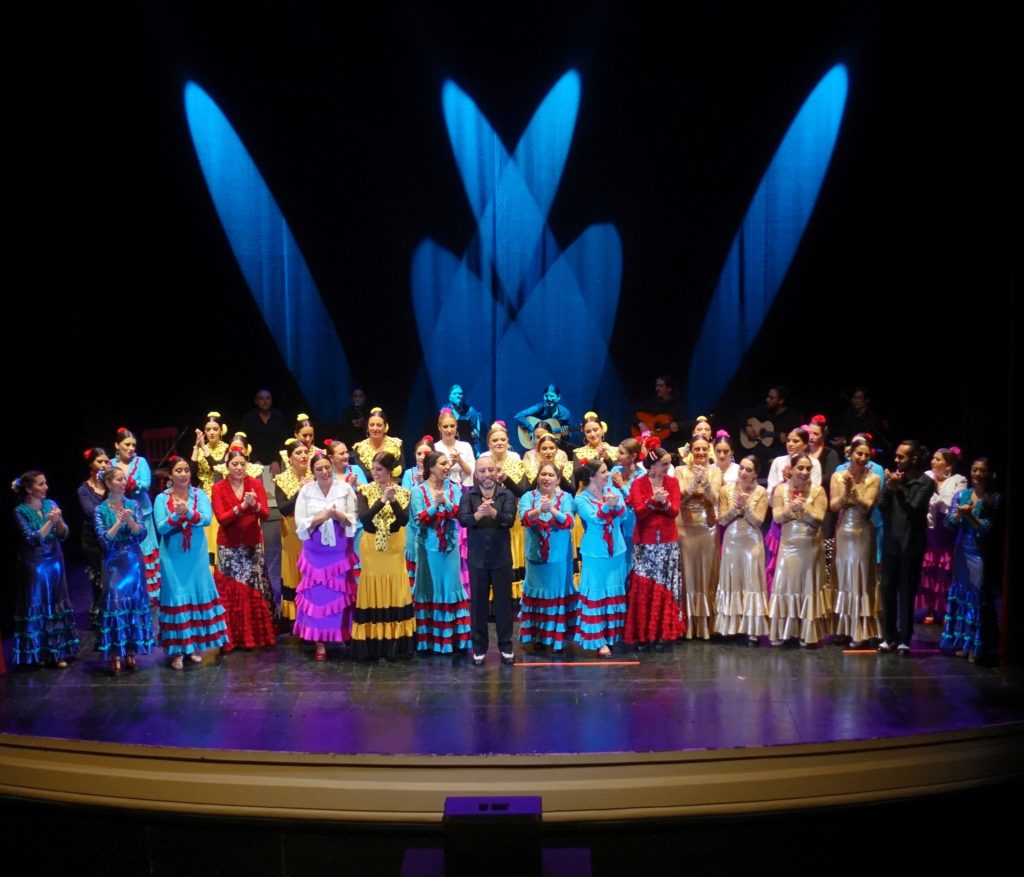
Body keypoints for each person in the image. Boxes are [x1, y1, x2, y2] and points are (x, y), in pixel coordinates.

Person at [154, 456, 230, 669]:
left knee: (195, 596)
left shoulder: (199, 494)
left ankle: (192, 647)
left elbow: (206, 519)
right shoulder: (161, 499)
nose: (184, 474)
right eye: (178, 470)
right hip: (173, 556)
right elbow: (161, 527)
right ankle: (178, 651)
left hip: (196, 555)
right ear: (170, 475)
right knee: (177, 597)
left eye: (186, 470)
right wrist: (176, 516)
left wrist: (188, 512)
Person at [10, 471, 79, 668]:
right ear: (29, 489)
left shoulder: (51, 504)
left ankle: (58, 652)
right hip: (35, 562)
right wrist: (49, 521)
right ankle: (38, 652)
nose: (46, 487)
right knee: (38, 602)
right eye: (40, 484)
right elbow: (32, 538)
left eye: (45, 483)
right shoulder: (20, 511)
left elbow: (63, 534)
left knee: (56, 602)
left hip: (55, 559)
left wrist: (59, 521)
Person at [294, 453, 358, 660]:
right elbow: (300, 522)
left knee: (341, 593)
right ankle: (319, 642)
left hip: (339, 551)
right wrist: (321, 517)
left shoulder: (345, 489)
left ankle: (344, 634)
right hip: (315, 552)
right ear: (313, 472)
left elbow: (353, 519)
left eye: (327, 467)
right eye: (319, 469)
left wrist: (340, 516)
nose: (324, 472)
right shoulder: (306, 491)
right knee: (317, 596)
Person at [211, 449, 276, 651]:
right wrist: (242, 506)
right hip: (228, 546)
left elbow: (265, 514)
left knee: (252, 590)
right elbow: (222, 518)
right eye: (234, 464)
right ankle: (230, 638)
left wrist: (254, 504)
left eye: (242, 464)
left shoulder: (255, 484)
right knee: (230, 591)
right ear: (227, 467)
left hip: (251, 544)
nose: (239, 468)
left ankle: (254, 637)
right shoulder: (218, 488)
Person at [353, 452, 415, 660]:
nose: (375, 473)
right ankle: (373, 642)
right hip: (372, 548)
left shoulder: (404, 493)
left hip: (393, 547)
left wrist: (393, 500)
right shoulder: (364, 490)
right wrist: (381, 501)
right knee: (373, 586)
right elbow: (365, 518)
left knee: (395, 588)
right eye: (373, 469)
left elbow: (403, 520)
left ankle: (395, 644)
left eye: (379, 469)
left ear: (389, 471)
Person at [940, 458, 1002, 663]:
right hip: (961, 550)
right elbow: (949, 524)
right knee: (962, 593)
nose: (977, 474)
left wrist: (969, 516)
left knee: (977, 596)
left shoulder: (994, 498)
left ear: (990, 474)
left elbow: (986, 529)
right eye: (974, 470)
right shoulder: (962, 495)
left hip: (980, 552)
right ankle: (963, 642)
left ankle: (976, 646)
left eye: (982, 470)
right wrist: (959, 515)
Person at [93, 466, 155, 673]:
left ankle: (130, 651)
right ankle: (115, 653)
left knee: (133, 603)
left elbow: (142, 534)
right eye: (119, 479)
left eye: (124, 478)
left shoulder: (133, 504)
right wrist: (119, 522)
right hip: (114, 562)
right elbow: (105, 540)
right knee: (115, 603)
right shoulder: (100, 510)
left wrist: (130, 521)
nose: (123, 482)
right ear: (109, 483)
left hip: (133, 560)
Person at [624, 441, 685, 648]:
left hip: (668, 544)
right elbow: (640, 513)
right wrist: (653, 501)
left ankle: (662, 633)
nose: (668, 467)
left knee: (665, 587)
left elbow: (674, 511)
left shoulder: (672, 483)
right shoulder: (638, 484)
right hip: (645, 544)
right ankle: (643, 634)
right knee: (644, 587)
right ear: (652, 465)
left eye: (669, 463)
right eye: (664, 464)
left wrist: (663, 502)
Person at [877, 440, 934, 655]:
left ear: (914, 459)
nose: (897, 460)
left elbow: (914, 508)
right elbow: (882, 506)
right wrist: (889, 488)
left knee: (907, 591)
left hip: (911, 544)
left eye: (901, 456)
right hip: (891, 541)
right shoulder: (894, 479)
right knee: (888, 589)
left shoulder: (925, 482)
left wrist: (898, 488)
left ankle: (905, 638)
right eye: (896, 456)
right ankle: (888, 636)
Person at [459, 455, 517, 665]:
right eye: (482, 471)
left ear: (496, 471)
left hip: (501, 558)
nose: (487, 474)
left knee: (503, 605)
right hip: (477, 560)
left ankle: (506, 647)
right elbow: (463, 519)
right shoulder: (469, 496)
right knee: (478, 607)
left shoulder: (506, 494)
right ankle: (479, 648)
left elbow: (510, 520)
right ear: (476, 474)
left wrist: (493, 513)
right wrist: (478, 515)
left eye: (490, 470)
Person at [411, 451, 471, 655]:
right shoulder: (418, 491)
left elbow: (461, 514)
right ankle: (431, 639)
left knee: (451, 586)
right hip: (428, 548)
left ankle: (454, 638)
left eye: (447, 463)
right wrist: (434, 506)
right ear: (431, 467)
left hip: (450, 547)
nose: (447, 467)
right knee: (431, 587)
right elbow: (418, 520)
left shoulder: (453, 488)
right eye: (443, 463)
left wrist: (446, 502)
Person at [767, 453, 828, 646]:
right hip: (789, 546)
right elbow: (777, 517)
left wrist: (804, 509)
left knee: (808, 586)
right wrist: (789, 510)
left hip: (810, 546)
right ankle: (783, 631)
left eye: (808, 468)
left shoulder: (818, 491)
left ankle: (806, 633)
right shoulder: (780, 490)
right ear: (791, 469)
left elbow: (819, 519)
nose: (804, 472)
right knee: (786, 585)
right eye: (800, 468)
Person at [518, 461, 577, 652]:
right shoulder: (528, 497)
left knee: (556, 595)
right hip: (535, 557)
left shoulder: (566, 497)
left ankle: (556, 638)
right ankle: (537, 636)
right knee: (537, 594)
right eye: (543, 474)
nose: (546, 478)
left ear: (558, 480)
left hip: (558, 557)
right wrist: (539, 510)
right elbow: (524, 518)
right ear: (537, 478)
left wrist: (551, 509)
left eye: (551, 475)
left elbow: (568, 521)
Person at [573, 459, 628, 657]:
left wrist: (615, 504)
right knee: (596, 593)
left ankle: (612, 635)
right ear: (592, 476)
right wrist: (607, 506)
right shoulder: (581, 499)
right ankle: (598, 639)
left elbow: (623, 514)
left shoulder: (611, 490)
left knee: (613, 591)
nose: (608, 475)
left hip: (616, 551)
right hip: (595, 552)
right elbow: (594, 518)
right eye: (603, 472)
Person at [830, 437, 882, 646]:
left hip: (863, 532)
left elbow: (867, 505)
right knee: (843, 576)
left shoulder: (874, 478)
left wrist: (854, 492)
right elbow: (834, 506)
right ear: (850, 454)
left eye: (866, 455)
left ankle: (859, 630)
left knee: (860, 576)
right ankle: (843, 628)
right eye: (859, 453)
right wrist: (845, 494)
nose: (862, 457)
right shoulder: (837, 476)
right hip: (843, 531)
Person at [714, 456, 770, 643]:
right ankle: (730, 626)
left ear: (756, 474)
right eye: (742, 468)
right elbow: (722, 520)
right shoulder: (726, 490)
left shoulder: (761, 492)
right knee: (732, 579)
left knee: (751, 580)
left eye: (749, 470)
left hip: (752, 541)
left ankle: (752, 629)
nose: (744, 472)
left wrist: (745, 507)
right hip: (732, 540)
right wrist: (735, 509)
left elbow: (759, 521)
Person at [675, 434, 721, 639]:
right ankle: (687, 625)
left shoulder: (715, 471)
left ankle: (705, 625)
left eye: (704, 449)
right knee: (688, 573)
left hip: (707, 527)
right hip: (685, 527)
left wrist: (706, 483)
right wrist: (694, 482)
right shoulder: (680, 470)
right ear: (691, 451)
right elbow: (679, 497)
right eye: (697, 449)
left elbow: (715, 498)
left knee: (706, 572)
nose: (701, 453)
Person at [917, 447, 967, 624]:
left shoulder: (958, 480)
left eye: (938, 459)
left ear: (948, 465)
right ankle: (928, 609)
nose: (933, 461)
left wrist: (936, 491)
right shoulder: (927, 476)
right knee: (928, 570)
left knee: (945, 572)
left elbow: (951, 504)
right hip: (928, 531)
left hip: (946, 531)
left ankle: (945, 610)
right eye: (933, 458)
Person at [111, 427, 161, 598]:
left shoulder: (140, 462)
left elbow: (146, 484)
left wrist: (131, 483)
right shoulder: (110, 464)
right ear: (117, 445)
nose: (131, 448)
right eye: (127, 444)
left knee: (145, 547)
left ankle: (151, 592)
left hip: (142, 512)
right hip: (119, 513)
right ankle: (129, 590)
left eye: (133, 445)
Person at [486, 422, 528, 595]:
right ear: (489, 443)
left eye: (502, 439)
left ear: (508, 441)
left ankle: (515, 596)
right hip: (490, 518)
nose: (499, 443)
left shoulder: (517, 462)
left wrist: (506, 479)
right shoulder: (483, 463)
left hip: (513, 518)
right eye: (495, 440)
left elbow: (522, 491)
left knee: (514, 553)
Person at [274, 439, 312, 624]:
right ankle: (295, 616)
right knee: (294, 567)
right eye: (298, 453)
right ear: (289, 458)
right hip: (292, 532)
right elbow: (284, 508)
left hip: (313, 532)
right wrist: (300, 491)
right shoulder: (282, 479)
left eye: (305, 452)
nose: (303, 456)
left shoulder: (315, 475)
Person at [192, 411, 229, 564]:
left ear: (222, 430)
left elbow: (218, 468)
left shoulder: (227, 448)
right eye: (208, 429)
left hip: (221, 493)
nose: (212, 432)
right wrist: (196, 448)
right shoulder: (201, 448)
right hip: (203, 494)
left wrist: (204, 449)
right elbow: (192, 473)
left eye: (215, 429)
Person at [77, 447, 109, 624]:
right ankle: (98, 616)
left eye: (106, 461)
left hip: (111, 538)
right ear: (91, 464)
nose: (104, 464)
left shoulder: (110, 484)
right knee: (98, 579)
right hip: (93, 540)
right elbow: (92, 512)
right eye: (99, 461)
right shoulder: (84, 490)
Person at [402, 437, 435, 588]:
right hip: (413, 527)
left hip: (433, 528)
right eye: (419, 453)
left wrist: (425, 482)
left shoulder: (437, 474)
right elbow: (404, 498)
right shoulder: (409, 474)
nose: (422, 457)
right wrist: (418, 484)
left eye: (425, 454)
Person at [610, 438, 644, 574]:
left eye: (621, 453)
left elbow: (637, 501)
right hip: (615, 522)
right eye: (618, 452)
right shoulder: (615, 470)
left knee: (630, 560)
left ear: (633, 456)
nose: (617, 455)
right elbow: (606, 491)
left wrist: (622, 486)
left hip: (632, 523)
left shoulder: (642, 476)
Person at [239, 389, 289, 469]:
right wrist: (254, 460)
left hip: (276, 463)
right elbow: (244, 441)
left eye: (268, 398)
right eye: (261, 398)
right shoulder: (249, 418)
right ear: (256, 401)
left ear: (271, 401)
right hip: (254, 463)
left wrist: (276, 460)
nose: (265, 401)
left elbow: (283, 441)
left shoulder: (279, 417)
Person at [632, 374, 686, 447]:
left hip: (672, 443)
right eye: (656, 386)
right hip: (652, 444)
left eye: (660, 386)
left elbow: (684, 425)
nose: (657, 388)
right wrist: (641, 425)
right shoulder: (652, 403)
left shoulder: (678, 406)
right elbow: (631, 412)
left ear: (669, 389)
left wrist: (679, 426)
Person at [514, 384, 572, 451]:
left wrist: (566, 435)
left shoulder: (565, 414)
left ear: (558, 397)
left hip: (555, 445)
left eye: (551, 396)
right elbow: (518, 416)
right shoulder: (539, 408)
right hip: (537, 445)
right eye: (546, 396)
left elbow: (567, 434)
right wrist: (534, 430)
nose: (549, 399)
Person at [352, 407, 404, 479]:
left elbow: (402, 471)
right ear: (367, 427)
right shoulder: (359, 448)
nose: (375, 429)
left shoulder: (396, 444)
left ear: (385, 427)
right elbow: (362, 475)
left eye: (379, 425)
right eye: (371, 425)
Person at [437, 408, 476, 488]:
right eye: (445, 427)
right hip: (442, 489)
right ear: (439, 428)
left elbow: (470, 473)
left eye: (452, 426)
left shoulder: (466, 446)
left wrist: (460, 461)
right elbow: (434, 474)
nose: (449, 430)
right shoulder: (435, 448)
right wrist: (451, 464)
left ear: (456, 426)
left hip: (465, 490)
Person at [446, 384, 483, 456]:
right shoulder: (444, 410)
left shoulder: (471, 411)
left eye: (460, 394)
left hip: (467, 446)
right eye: (455, 394)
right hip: (449, 446)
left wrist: (464, 433)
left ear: (463, 397)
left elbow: (477, 433)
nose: (458, 396)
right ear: (449, 397)